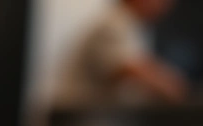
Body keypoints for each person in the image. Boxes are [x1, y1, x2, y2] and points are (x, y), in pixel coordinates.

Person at [55, 0, 188, 108]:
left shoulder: (135, 26)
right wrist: (176, 88)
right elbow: (132, 69)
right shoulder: (115, 23)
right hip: (81, 121)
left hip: (93, 120)